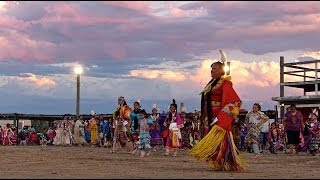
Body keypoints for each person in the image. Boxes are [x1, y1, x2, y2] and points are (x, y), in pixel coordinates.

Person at [188, 60, 246, 171]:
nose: (211, 71)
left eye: (214, 68)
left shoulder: (225, 83)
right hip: (209, 115)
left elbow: (233, 100)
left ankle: (226, 162)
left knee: (222, 139)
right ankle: (218, 161)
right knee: (213, 140)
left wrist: (223, 116)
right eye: (211, 68)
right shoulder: (211, 83)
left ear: (220, 70)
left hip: (219, 116)